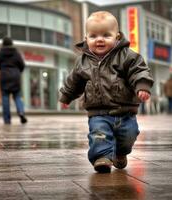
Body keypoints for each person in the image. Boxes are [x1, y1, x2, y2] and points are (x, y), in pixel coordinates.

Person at [59, 11, 153, 173]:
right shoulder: (82, 62)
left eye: (106, 35)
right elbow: (74, 81)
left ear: (117, 37)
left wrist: (142, 86)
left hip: (125, 111)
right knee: (99, 135)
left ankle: (120, 153)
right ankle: (101, 158)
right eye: (93, 36)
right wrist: (66, 96)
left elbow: (139, 71)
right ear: (86, 38)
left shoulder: (126, 56)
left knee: (128, 136)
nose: (99, 39)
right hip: (98, 112)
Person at [0, 36, 27, 124]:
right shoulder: (16, 53)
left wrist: (3, 70)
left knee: (5, 98)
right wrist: (18, 72)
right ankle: (21, 112)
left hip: (4, 76)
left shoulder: (0, 53)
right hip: (15, 76)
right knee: (17, 96)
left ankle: (7, 119)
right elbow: (22, 65)